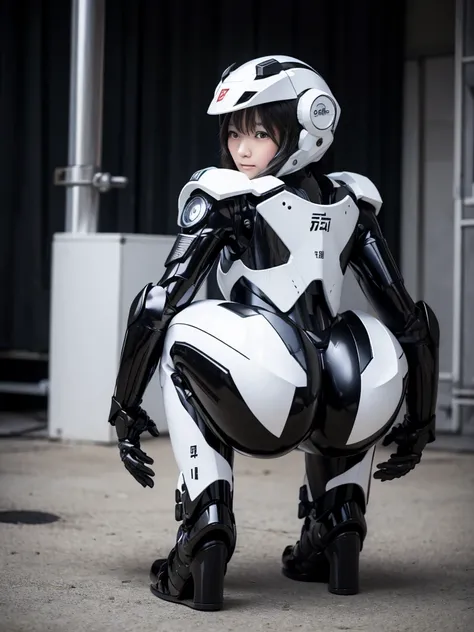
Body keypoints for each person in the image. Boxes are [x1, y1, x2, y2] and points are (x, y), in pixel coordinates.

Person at [107, 55, 439, 611]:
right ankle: (338, 526)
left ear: (307, 128)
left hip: (265, 386)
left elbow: (157, 304)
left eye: (259, 132)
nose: (242, 149)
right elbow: (410, 322)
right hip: (346, 398)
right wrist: (420, 422)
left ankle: (204, 527)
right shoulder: (353, 202)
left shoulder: (225, 197)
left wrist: (124, 406)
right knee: (357, 346)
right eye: (235, 132)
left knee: (180, 332)